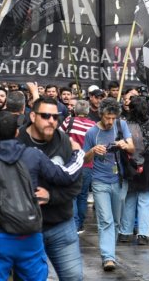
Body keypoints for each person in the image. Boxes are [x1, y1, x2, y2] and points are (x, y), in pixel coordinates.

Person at [0, 111, 84, 281]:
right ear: (17, 132)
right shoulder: (33, 155)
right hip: (29, 234)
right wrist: (78, 153)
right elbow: (64, 176)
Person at [16, 97, 84, 280]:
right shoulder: (15, 139)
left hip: (60, 225)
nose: (52, 121)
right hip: (24, 230)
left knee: (74, 277)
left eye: (56, 117)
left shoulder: (65, 142)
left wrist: (51, 196)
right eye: (46, 116)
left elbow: (76, 184)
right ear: (32, 116)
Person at [83, 97, 134, 271]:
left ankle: (110, 250)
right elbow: (84, 159)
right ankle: (108, 257)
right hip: (99, 181)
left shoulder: (121, 126)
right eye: (107, 117)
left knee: (117, 221)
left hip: (119, 180)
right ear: (101, 114)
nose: (110, 121)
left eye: (113, 118)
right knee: (105, 220)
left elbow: (133, 148)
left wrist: (124, 145)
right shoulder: (92, 133)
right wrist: (92, 151)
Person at [118, 96, 149, 245]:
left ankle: (125, 232)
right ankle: (143, 234)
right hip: (148, 161)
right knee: (145, 199)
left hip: (130, 161)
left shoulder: (125, 124)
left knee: (130, 197)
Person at [60, 100, 96, 233]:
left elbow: (58, 137)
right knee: (82, 195)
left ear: (74, 110)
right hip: (88, 165)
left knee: (72, 196)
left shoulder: (68, 121)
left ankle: (74, 224)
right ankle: (80, 224)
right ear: (88, 111)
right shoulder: (93, 126)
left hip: (71, 163)